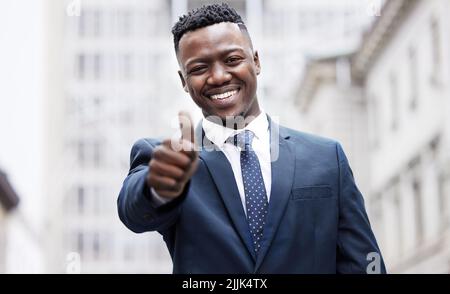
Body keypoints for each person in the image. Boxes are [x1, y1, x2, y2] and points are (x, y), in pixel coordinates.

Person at [117, 3, 386, 274]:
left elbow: (363, 264)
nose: (219, 77)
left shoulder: (327, 158)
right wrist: (158, 189)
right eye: (199, 68)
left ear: (256, 61)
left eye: (232, 60)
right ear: (184, 81)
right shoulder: (166, 159)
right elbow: (133, 212)